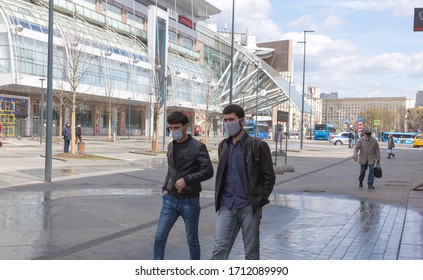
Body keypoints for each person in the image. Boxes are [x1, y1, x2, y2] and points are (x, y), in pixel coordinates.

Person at [211, 104, 276, 260]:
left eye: (231, 119)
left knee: (251, 252)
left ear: (241, 121)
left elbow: (269, 177)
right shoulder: (223, 145)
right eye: (225, 120)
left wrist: (259, 199)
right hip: (226, 206)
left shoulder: (258, 145)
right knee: (219, 250)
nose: (227, 123)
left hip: (249, 207)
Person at [153, 111, 213, 260]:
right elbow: (171, 169)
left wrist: (187, 179)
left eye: (177, 127)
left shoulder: (198, 147)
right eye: (171, 128)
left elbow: (208, 171)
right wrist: (165, 188)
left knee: (192, 241)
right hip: (170, 200)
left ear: (186, 126)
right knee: (159, 237)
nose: (173, 131)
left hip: (190, 201)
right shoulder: (171, 146)